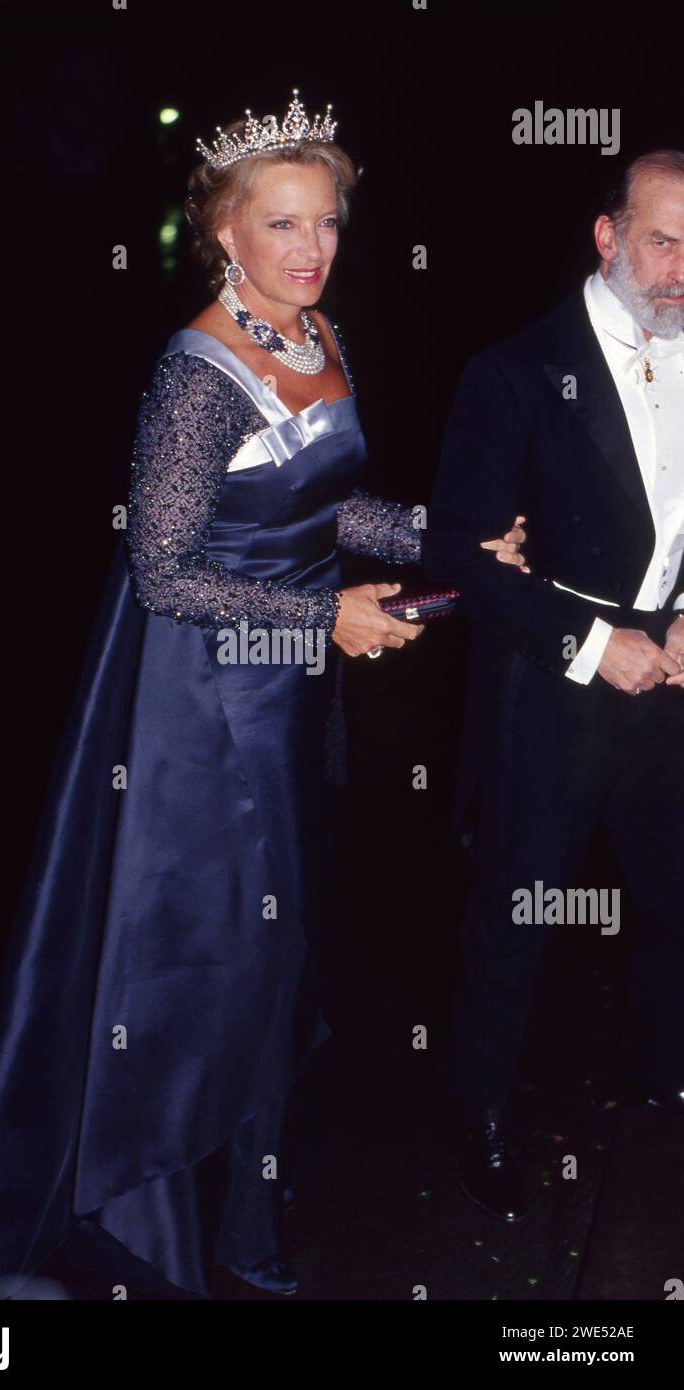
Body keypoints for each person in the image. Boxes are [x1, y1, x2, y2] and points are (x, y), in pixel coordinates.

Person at [0, 90, 526, 1300]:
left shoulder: (316, 334)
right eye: (283, 224)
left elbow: (324, 508)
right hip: (194, 714)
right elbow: (163, 568)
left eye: (329, 223)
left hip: (286, 701)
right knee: (192, 968)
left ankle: (246, 1214)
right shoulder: (196, 375)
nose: (311, 249)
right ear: (226, 235)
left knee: (272, 960)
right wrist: (326, 615)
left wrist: (446, 546)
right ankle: (153, 1238)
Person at [425, 149, 684, 1224]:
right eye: (665, 240)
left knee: (671, 899)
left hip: (669, 677)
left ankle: (657, 1089)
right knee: (517, 913)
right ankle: (479, 1119)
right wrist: (591, 641)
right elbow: (460, 552)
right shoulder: (517, 371)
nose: (681, 267)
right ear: (606, 235)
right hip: (556, 679)